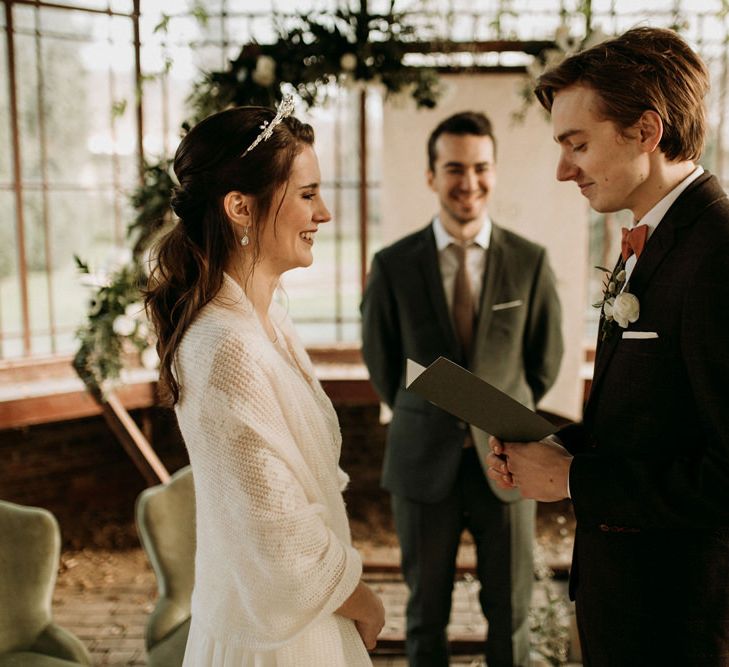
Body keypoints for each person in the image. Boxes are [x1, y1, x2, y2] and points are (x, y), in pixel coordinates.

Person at [486, 27, 729, 667]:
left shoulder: (718, 251)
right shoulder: (655, 239)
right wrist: (559, 445)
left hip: (684, 619)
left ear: (645, 132)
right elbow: (661, 422)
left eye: (577, 144)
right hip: (626, 604)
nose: (564, 169)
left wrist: (575, 479)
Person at [145, 100, 385, 666]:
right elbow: (274, 526)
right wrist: (365, 602)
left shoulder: (267, 316)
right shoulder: (224, 345)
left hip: (303, 617)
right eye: (307, 194)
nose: (323, 213)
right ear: (240, 208)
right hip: (274, 638)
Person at [361, 111, 564, 667]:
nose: (468, 182)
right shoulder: (392, 265)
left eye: (480, 168)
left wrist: (496, 419)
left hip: (509, 463)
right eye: (454, 168)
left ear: (494, 173)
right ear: (431, 175)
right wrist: (432, 416)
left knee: (512, 610)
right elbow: (382, 363)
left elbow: (543, 362)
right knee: (426, 612)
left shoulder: (529, 261)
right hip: (422, 463)